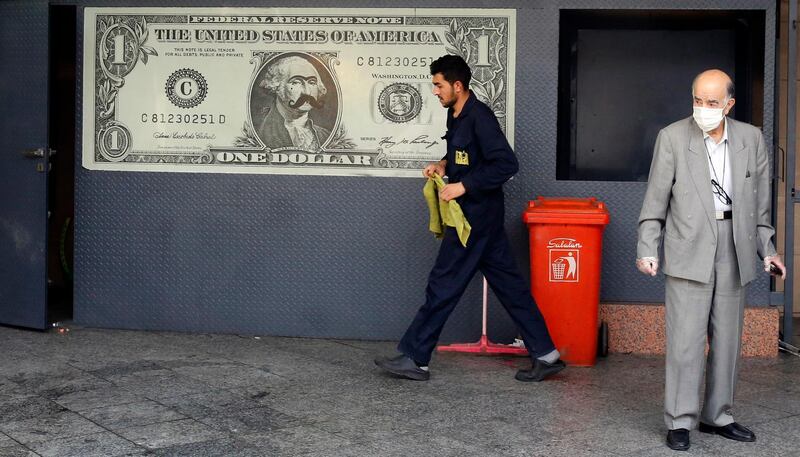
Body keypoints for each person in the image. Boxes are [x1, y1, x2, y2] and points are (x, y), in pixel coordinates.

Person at [374, 54, 564, 382]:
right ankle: (547, 354)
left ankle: (416, 359)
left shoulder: (480, 117)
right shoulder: (457, 115)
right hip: (483, 222)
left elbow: (506, 164)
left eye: (438, 85)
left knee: (443, 284)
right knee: (511, 288)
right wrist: (444, 166)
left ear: (457, 86)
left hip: (473, 221)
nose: (434, 91)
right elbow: (463, 154)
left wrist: (463, 186)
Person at [636, 69, 786, 451]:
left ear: (729, 104)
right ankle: (679, 420)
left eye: (712, 103)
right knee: (685, 340)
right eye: (697, 100)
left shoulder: (751, 139)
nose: (703, 109)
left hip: (734, 245)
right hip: (689, 244)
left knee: (728, 342)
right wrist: (648, 248)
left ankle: (718, 416)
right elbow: (655, 202)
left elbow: (759, 207)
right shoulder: (672, 137)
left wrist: (768, 250)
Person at [256, 55, 331, 150]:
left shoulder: (326, 136)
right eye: (296, 82)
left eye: (312, 82)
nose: (307, 92)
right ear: (276, 86)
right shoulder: (259, 133)